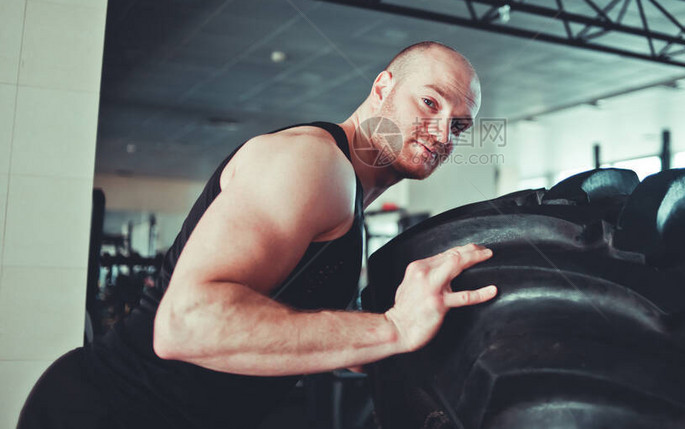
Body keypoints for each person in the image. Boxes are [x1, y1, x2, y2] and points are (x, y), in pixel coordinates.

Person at [18, 41, 497, 428]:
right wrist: (392, 329)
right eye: (429, 102)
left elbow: (284, 330)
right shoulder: (313, 163)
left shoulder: (347, 194)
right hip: (113, 411)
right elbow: (186, 324)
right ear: (382, 87)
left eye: (458, 124)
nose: (441, 132)